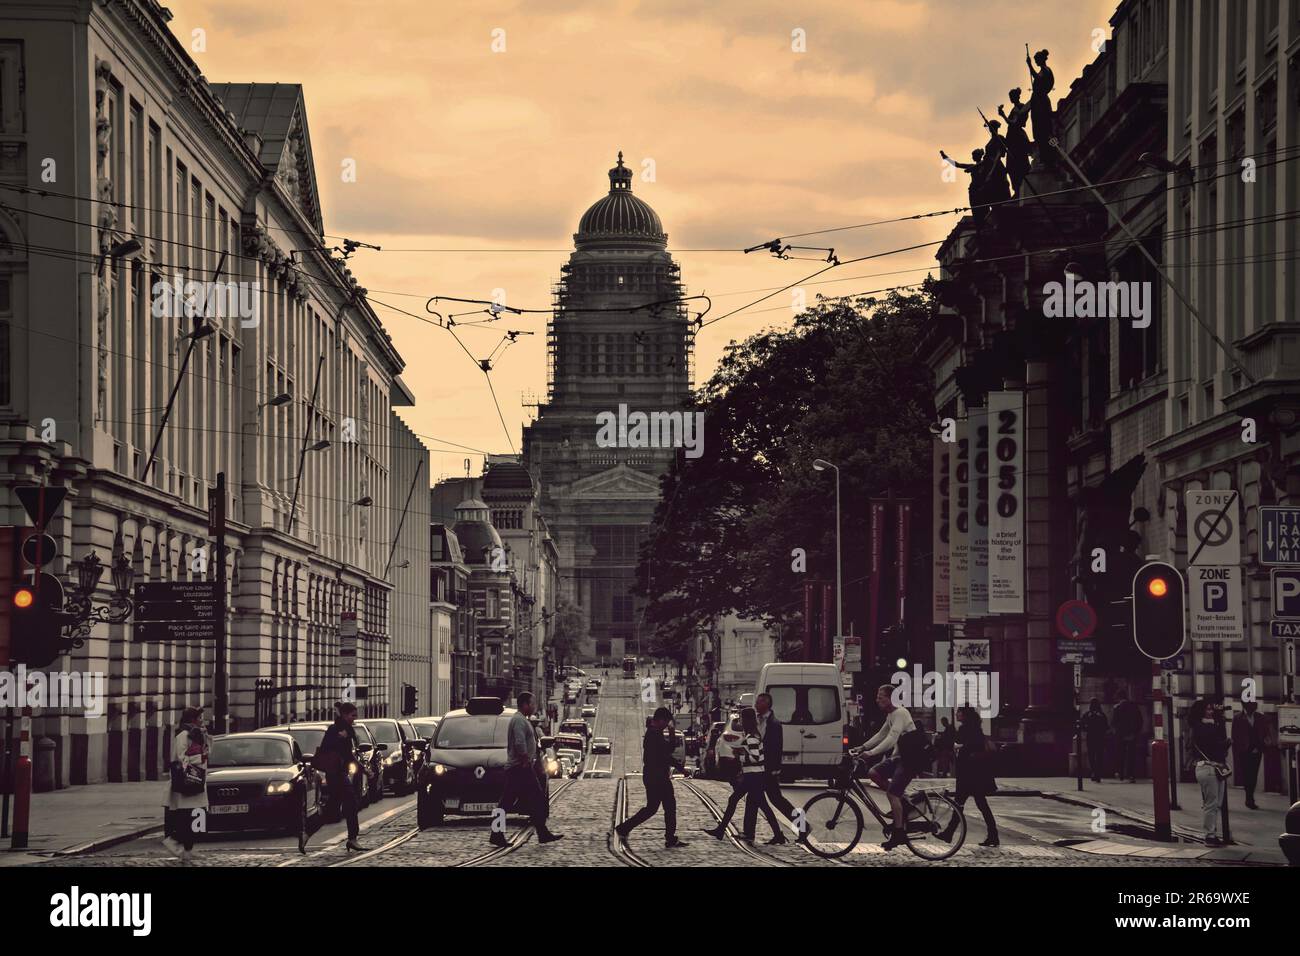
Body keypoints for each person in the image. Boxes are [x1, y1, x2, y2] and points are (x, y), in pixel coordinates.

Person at [492, 691, 563, 847]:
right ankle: (541, 833)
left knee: (512, 800)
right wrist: (525, 761)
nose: (534, 706)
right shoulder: (519, 721)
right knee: (535, 798)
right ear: (525, 705)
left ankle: (540, 832)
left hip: (519, 767)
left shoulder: (522, 720)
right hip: (520, 767)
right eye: (532, 703)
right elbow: (519, 742)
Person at [703, 711, 784, 844]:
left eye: (741, 720)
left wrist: (738, 755)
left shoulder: (752, 737)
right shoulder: (752, 736)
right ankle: (721, 829)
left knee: (754, 804)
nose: (740, 722)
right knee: (740, 801)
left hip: (754, 777)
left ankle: (778, 835)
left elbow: (755, 758)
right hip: (752, 776)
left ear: (747, 720)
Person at [856, 684, 918, 851]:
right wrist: (863, 747)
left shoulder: (901, 713)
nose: (877, 700)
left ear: (891, 698)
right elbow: (881, 734)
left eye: (880, 697)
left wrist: (871, 753)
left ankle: (899, 833)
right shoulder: (891, 715)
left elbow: (891, 738)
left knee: (892, 794)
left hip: (909, 760)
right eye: (877, 697)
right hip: (899, 757)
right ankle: (903, 801)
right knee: (873, 773)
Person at [616, 706, 687, 847]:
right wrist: (672, 732)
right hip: (657, 777)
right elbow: (668, 752)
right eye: (666, 722)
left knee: (657, 807)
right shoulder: (654, 734)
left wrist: (680, 767)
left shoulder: (654, 732)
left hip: (654, 776)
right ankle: (669, 838)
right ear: (660, 720)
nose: (667, 725)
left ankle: (624, 828)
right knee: (662, 807)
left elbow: (665, 754)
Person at [316, 701, 366, 852]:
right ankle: (353, 839)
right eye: (352, 715)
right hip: (335, 774)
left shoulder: (347, 730)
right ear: (344, 715)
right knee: (351, 802)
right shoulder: (334, 730)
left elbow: (349, 755)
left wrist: (364, 769)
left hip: (340, 773)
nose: (354, 718)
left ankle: (306, 832)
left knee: (331, 810)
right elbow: (326, 749)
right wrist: (340, 738)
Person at [162, 705, 209, 864]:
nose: (203, 721)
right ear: (193, 719)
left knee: (200, 818)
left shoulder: (199, 735)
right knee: (188, 818)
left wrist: (205, 740)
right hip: (187, 783)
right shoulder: (183, 735)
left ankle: (188, 851)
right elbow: (180, 758)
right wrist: (197, 757)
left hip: (198, 780)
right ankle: (172, 840)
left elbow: (206, 753)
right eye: (200, 718)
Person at [950, 706, 999, 847]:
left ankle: (949, 832)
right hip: (973, 774)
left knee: (959, 803)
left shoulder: (968, 729)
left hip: (970, 774)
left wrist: (959, 747)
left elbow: (972, 746)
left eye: (958, 712)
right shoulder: (974, 727)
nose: (956, 714)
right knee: (979, 805)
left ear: (964, 715)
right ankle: (993, 835)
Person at [755, 692, 799, 839]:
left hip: (768, 769)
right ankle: (750, 832)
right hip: (759, 767)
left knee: (777, 800)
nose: (756, 704)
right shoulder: (758, 720)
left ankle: (802, 826)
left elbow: (775, 748)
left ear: (767, 704)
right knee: (755, 800)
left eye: (759, 702)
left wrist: (774, 769)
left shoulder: (774, 723)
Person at [1190, 699, 1231, 845]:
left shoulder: (1207, 726)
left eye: (1211, 709)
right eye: (1208, 709)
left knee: (1216, 803)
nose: (1211, 712)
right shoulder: (1202, 727)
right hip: (1208, 768)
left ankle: (1212, 833)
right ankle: (1209, 835)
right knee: (1211, 804)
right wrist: (1226, 743)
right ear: (1201, 712)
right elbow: (1215, 745)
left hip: (1214, 768)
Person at [1231, 701, 1270, 810]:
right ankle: (1249, 797)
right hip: (1244, 751)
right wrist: (1238, 750)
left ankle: (1250, 797)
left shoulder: (1260, 717)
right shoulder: (1238, 718)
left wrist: (1263, 744)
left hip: (1257, 750)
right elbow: (1235, 735)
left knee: (1253, 774)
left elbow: (1264, 731)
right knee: (1246, 774)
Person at [998, 87, 1032, 195]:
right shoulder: (1014, 109)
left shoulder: (1020, 107)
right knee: (1011, 165)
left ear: (1016, 96)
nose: (1010, 99)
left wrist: (1003, 115)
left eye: (1011, 97)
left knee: (1018, 162)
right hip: (1012, 138)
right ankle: (1016, 189)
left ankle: (1020, 188)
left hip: (1017, 138)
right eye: (1010, 97)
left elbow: (1013, 123)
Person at [1026, 47, 1056, 158]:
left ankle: (1046, 152)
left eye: (1036, 60)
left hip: (1041, 103)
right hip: (1038, 102)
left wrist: (1029, 66)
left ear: (1041, 60)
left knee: (1042, 127)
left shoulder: (1046, 70)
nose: (1035, 62)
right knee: (1038, 128)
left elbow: (1038, 79)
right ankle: (1043, 151)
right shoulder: (1043, 70)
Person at [1112, 692, 1142, 783]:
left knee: (1120, 754)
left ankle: (1120, 773)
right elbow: (1139, 720)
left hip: (1121, 735)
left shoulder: (1117, 708)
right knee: (1131, 755)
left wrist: (1116, 732)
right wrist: (1135, 732)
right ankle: (1131, 775)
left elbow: (1114, 722)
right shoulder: (1134, 707)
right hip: (1132, 735)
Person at [1084, 698, 1109, 783]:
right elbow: (1106, 726)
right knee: (1099, 756)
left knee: (1092, 756)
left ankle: (1094, 772)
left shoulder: (1088, 714)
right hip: (1099, 738)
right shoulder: (1101, 715)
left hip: (1091, 737)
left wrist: (1087, 728)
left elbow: (1083, 725)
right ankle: (1097, 773)